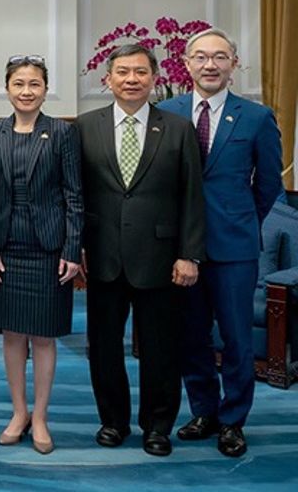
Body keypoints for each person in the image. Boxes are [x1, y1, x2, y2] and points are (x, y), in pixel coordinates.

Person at [158, 29, 283, 458]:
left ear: (234, 63)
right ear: (186, 63)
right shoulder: (166, 112)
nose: (210, 65)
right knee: (191, 336)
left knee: (234, 337)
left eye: (219, 57)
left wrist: (241, 221)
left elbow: (268, 185)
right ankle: (204, 411)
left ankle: (233, 420)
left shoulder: (257, 117)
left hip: (234, 249)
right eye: (201, 57)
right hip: (180, 251)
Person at [78, 43, 205, 457]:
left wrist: (189, 254)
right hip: (102, 257)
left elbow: (191, 196)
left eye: (140, 72)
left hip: (162, 258)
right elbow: (74, 195)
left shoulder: (178, 128)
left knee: (160, 349)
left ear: (155, 78)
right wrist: (74, 249)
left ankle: (157, 426)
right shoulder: (84, 127)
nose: (131, 79)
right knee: (104, 346)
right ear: (108, 79)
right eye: (123, 72)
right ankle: (112, 422)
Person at [0, 56, 82, 455]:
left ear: (45, 89)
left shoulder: (60, 134)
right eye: (19, 84)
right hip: (5, 249)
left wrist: (73, 249)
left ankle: (40, 416)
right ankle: (18, 412)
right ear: (7, 88)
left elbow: (75, 195)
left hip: (49, 250)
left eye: (34, 84)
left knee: (43, 336)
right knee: (11, 336)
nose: (26, 91)